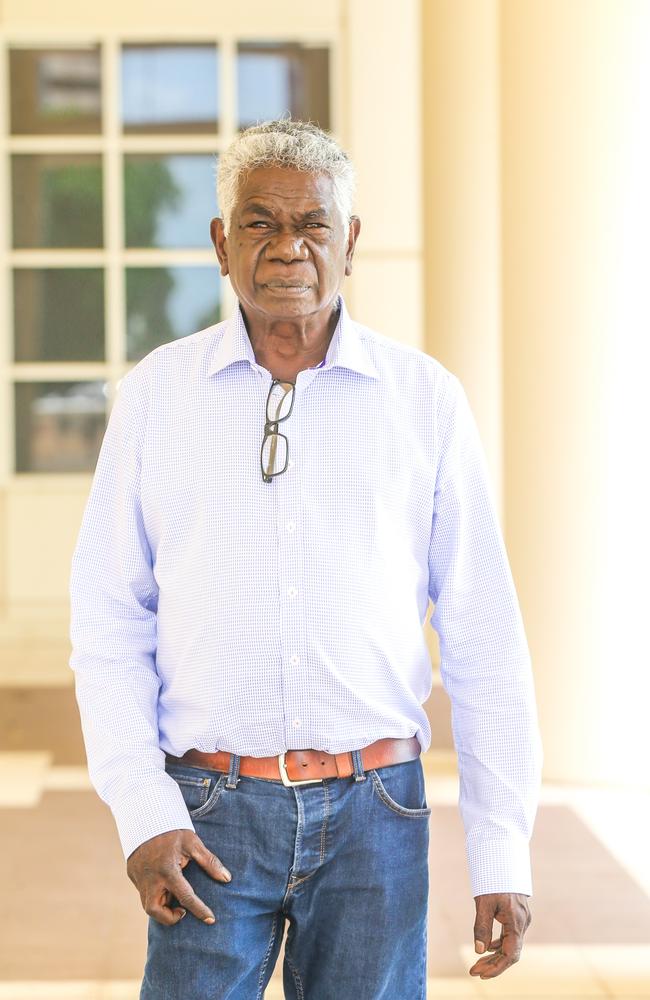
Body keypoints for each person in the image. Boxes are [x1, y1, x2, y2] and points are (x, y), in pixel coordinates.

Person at [69, 119, 543, 999]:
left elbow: (483, 636)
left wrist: (502, 849)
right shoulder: (156, 398)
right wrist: (143, 811)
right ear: (221, 242)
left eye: (313, 225)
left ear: (350, 242)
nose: (288, 248)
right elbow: (106, 621)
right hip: (205, 816)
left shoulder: (426, 402)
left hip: (378, 814)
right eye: (260, 223)